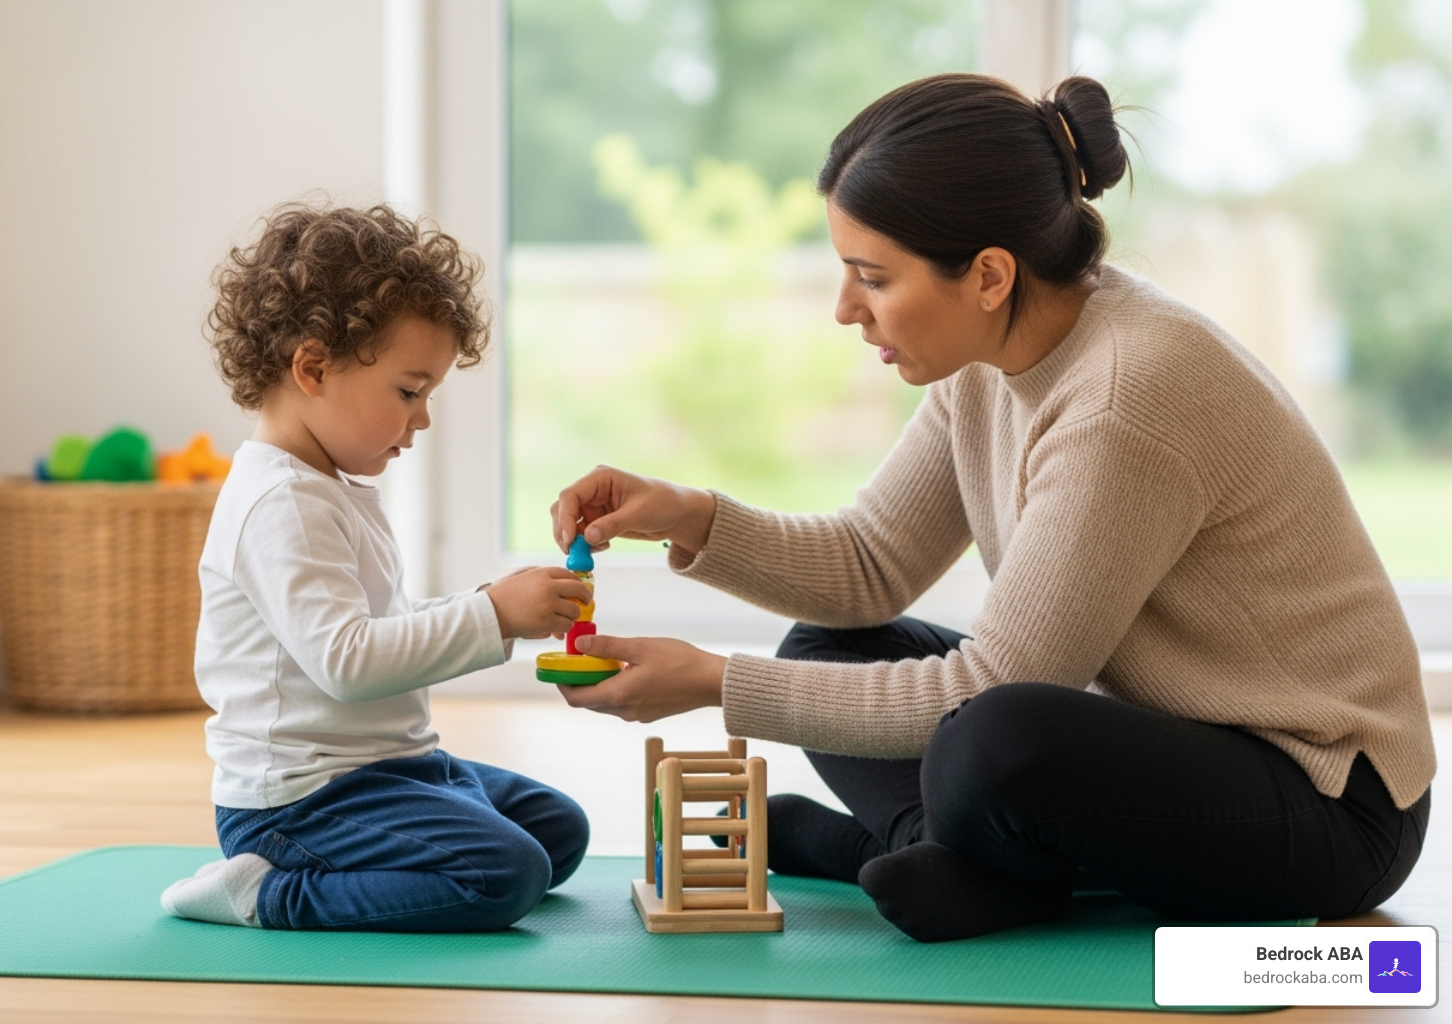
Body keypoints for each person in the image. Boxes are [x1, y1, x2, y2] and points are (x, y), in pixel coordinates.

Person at [549, 74, 1435, 943]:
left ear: (987, 275)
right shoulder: (993, 353)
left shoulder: (1123, 401)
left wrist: (713, 682)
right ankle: (950, 857)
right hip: (1173, 748)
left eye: (872, 277)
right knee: (832, 646)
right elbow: (869, 566)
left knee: (996, 734)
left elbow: (991, 688)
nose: (844, 309)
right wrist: (689, 514)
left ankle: (950, 854)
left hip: (1330, 802)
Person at [161, 203, 592, 932]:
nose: (421, 419)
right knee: (505, 874)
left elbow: (379, 628)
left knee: (559, 830)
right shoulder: (279, 504)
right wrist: (492, 616)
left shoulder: (327, 489)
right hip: (302, 801)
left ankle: (382, 860)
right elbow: (347, 663)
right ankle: (265, 892)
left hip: (391, 768)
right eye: (408, 391)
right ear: (314, 366)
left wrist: (490, 602)